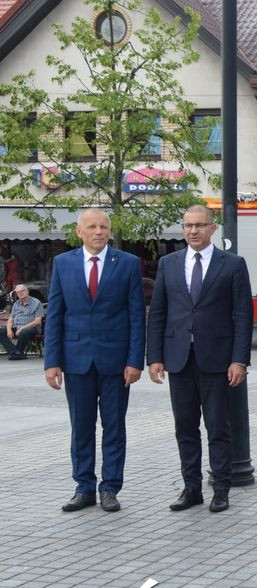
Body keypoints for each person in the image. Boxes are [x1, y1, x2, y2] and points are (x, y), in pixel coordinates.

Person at [146, 205, 253, 513]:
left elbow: (243, 316)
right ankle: (191, 488)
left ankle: (221, 489)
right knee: (185, 428)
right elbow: (159, 314)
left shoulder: (232, 265)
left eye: (199, 225)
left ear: (212, 228)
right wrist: (154, 357)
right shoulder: (169, 263)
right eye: (188, 225)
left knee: (219, 428)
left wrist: (239, 360)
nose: (193, 231)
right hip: (178, 360)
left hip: (218, 361)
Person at [44, 208, 146, 512]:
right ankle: (84, 486)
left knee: (114, 427)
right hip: (76, 362)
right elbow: (55, 315)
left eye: (103, 227)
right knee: (82, 427)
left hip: (116, 363)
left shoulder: (127, 264)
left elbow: (136, 317)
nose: (99, 232)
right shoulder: (63, 264)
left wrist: (135, 360)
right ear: (80, 232)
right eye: (92, 227)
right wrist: (52, 361)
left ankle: (110, 488)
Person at [1, 283, 44, 360]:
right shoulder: (16, 304)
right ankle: (16, 352)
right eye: (18, 292)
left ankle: (17, 353)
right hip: (17, 327)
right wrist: (9, 330)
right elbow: (10, 319)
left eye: (22, 291)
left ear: (27, 291)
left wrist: (21, 329)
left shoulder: (36, 303)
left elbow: (37, 321)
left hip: (32, 328)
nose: (20, 293)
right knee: (1, 331)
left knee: (24, 331)